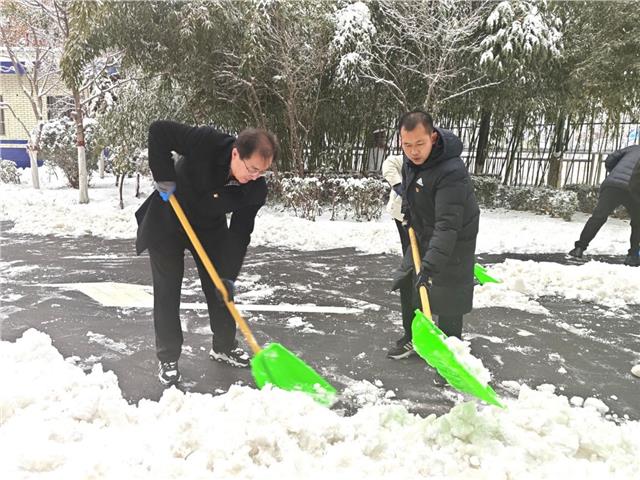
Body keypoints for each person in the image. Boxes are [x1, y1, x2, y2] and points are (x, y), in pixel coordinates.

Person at [135, 120, 279, 385]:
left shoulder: (255, 189)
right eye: (252, 169)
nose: (255, 176)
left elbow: (239, 235)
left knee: (220, 288)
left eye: (262, 172)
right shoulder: (208, 141)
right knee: (167, 289)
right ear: (236, 153)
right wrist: (164, 176)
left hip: (209, 227)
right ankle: (168, 357)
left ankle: (223, 346)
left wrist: (229, 276)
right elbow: (158, 131)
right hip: (170, 217)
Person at [388, 110, 479, 360]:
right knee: (409, 281)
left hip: (455, 236)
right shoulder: (411, 161)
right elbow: (410, 189)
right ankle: (413, 337)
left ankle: (451, 355)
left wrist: (429, 267)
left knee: (449, 292)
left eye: (420, 143)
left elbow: (448, 225)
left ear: (433, 137)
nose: (413, 151)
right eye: (407, 145)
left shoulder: (451, 171)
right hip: (423, 230)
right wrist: (407, 209)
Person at [568, 145, 640, 267]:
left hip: (612, 185)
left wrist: (613, 171)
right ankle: (633, 256)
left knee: (598, 217)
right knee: (638, 223)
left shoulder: (633, 148)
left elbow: (611, 158)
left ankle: (579, 249)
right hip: (634, 188)